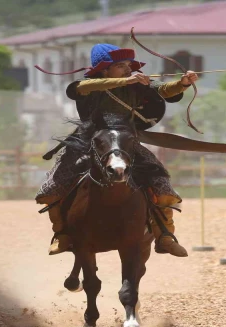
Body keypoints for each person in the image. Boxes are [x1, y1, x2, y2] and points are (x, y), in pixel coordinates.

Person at [36, 43, 199, 258]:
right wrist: (125, 80)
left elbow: (164, 90)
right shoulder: (88, 85)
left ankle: (165, 235)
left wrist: (183, 83)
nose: (128, 69)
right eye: (121, 66)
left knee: (161, 182)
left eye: (128, 65)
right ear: (104, 70)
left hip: (125, 141)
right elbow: (79, 88)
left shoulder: (136, 82)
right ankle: (62, 234)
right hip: (89, 140)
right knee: (53, 186)